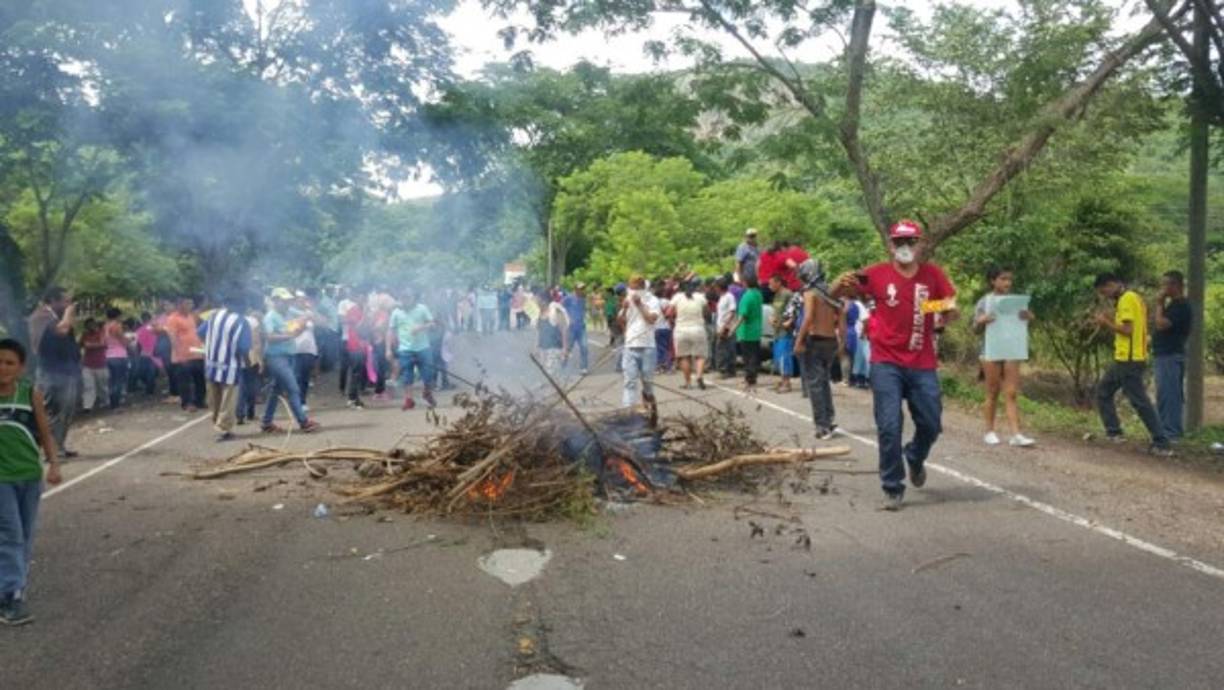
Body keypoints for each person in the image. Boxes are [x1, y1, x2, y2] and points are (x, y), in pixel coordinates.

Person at [836, 220, 958, 511]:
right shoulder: (875, 274)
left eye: (911, 242)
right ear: (890, 245)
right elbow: (839, 292)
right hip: (885, 362)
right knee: (889, 425)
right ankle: (892, 486)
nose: (905, 248)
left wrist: (931, 309)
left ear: (920, 244)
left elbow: (951, 303)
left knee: (931, 423)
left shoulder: (932, 275)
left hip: (922, 362)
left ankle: (915, 456)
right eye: (899, 242)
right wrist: (840, 281)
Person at [0, 338, 63, 626]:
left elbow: (44, 431)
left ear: (21, 367)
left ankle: (15, 586)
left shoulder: (30, 394)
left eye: (10, 363)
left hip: (28, 475)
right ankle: (10, 597)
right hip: (2, 480)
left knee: (25, 534)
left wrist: (54, 463)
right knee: (10, 534)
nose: (3, 368)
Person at [1093, 274, 1173, 455]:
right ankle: (1114, 432)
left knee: (1140, 401)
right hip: (1127, 357)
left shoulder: (1126, 299)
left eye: (1104, 291)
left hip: (1129, 359)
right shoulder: (1134, 297)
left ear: (1112, 284)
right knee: (1104, 391)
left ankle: (1161, 442)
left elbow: (1127, 330)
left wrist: (1106, 322)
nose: (1105, 295)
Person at [973, 267, 1036, 448]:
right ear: (993, 281)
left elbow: (1021, 324)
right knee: (992, 391)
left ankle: (1016, 434)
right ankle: (989, 431)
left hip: (1011, 350)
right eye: (1003, 279)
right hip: (991, 350)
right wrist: (981, 321)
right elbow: (974, 329)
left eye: (1009, 279)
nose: (1007, 283)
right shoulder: (984, 302)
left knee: (1012, 393)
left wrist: (1029, 317)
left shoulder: (1016, 302)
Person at [26, 288, 79, 458]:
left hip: (65, 370)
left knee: (66, 410)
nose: (67, 305)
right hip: (50, 372)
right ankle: (50, 450)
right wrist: (70, 313)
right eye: (65, 301)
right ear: (53, 300)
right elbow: (62, 331)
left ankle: (59, 446)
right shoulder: (40, 316)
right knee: (53, 410)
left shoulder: (55, 316)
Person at [793, 261, 842, 439]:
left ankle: (822, 426)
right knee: (824, 382)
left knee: (815, 384)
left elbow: (808, 318)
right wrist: (841, 341)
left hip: (815, 340)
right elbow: (840, 315)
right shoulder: (831, 292)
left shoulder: (810, 293)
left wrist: (799, 341)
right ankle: (829, 419)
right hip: (831, 341)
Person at [261, 288, 319, 434]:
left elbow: (306, 316)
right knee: (293, 388)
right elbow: (269, 337)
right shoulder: (270, 317)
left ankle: (266, 422)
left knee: (276, 390)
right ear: (275, 301)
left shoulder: (286, 314)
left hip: (289, 356)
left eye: (288, 301)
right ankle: (303, 421)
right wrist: (290, 335)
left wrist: (305, 319)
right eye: (283, 301)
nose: (286, 304)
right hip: (276, 357)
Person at [200, 294, 251, 442]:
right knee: (228, 399)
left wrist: (210, 346)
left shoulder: (214, 315)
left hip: (211, 362)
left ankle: (216, 421)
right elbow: (243, 348)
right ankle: (223, 429)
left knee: (214, 396)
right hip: (230, 365)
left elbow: (200, 332)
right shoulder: (241, 321)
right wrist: (247, 362)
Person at [1152, 270, 1193, 442]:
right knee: (1164, 394)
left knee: (1170, 395)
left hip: (1170, 355)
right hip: (1164, 354)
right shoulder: (1174, 305)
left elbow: (1161, 324)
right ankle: (1164, 431)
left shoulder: (1181, 306)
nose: (1162, 289)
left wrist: (1159, 304)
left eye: (1165, 284)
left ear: (1174, 285)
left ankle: (1171, 433)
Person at [387, 288, 436, 411]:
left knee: (428, 375)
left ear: (413, 298)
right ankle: (409, 400)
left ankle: (427, 393)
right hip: (405, 349)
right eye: (403, 298)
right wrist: (388, 349)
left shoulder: (422, 308)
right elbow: (390, 330)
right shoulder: (396, 312)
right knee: (407, 376)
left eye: (408, 297)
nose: (405, 300)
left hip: (423, 347)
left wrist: (422, 327)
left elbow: (432, 324)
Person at [620, 275, 661, 411]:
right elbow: (620, 321)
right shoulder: (628, 299)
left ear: (643, 287)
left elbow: (651, 319)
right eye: (631, 288)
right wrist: (625, 308)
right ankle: (628, 413)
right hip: (630, 345)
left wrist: (639, 305)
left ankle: (650, 405)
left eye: (636, 288)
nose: (633, 291)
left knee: (647, 382)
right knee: (630, 382)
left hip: (648, 346)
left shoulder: (653, 300)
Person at [166, 297, 206, 411]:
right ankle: (187, 403)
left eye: (191, 303)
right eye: (188, 303)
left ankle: (199, 401)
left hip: (196, 353)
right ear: (180, 305)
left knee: (200, 379)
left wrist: (202, 350)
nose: (191, 305)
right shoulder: (173, 318)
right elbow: (173, 338)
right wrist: (179, 355)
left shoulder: (191, 317)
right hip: (183, 356)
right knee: (185, 381)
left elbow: (195, 334)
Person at [671, 279, 709, 390]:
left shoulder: (677, 297)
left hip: (681, 330)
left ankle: (688, 383)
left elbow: (669, 312)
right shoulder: (700, 297)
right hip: (698, 329)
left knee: (684, 357)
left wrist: (674, 319)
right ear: (694, 287)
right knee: (700, 356)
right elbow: (707, 312)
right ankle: (699, 376)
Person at [728, 277, 764, 392]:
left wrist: (733, 329)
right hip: (756, 329)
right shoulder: (758, 294)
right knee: (754, 355)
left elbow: (742, 315)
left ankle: (750, 380)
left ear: (745, 282)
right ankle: (751, 378)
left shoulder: (747, 296)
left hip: (746, 331)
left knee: (748, 357)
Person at [237, 301, 264, 425]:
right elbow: (257, 342)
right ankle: (250, 413)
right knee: (251, 385)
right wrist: (260, 359)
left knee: (240, 386)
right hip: (251, 356)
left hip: (236, 357)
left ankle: (239, 413)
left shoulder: (234, 321)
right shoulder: (254, 322)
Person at [768, 275, 795, 393]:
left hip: (785, 331)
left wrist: (790, 322)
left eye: (771, 284)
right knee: (778, 357)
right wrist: (771, 318)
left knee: (785, 357)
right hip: (776, 331)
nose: (769, 286)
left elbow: (796, 308)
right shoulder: (776, 296)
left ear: (778, 282)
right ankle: (782, 380)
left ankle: (787, 383)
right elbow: (775, 311)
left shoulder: (788, 294)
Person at [536, 292, 571, 379]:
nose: (536, 302)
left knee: (551, 374)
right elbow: (539, 332)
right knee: (544, 374)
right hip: (542, 349)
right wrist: (536, 347)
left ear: (544, 301)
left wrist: (565, 349)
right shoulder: (540, 313)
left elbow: (564, 330)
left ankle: (555, 389)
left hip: (554, 349)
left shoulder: (555, 312)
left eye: (538, 300)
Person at [79, 318, 110, 413]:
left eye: (92, 325)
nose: (90, 327)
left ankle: (105, 402)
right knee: (88, 386)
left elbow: (102, 344)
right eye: (88, 326)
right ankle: (87, 406)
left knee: (102, 387)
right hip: (87, 364)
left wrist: (90, 345)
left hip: (101, 364)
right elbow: (81, 345)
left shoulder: (102, 333)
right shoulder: (85, 335)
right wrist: (90, 345)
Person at [103, 308, 130, 409]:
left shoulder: (105, 326)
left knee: (112, 381)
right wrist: (129, 340)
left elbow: (104, 342)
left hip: (109, 355)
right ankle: (116, 404)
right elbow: (122, 340)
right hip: (119, 355)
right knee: (119, 381)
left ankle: (112, 403)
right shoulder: (116, 326)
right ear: (118, 316)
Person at [562, 283, 590, 375]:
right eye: (580, 288)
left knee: (584, 347)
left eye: (583, 288)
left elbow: (586, 309)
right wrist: (567, 319)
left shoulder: (584, 299)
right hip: (571, 328)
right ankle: (562, 366)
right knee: (568, 348)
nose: (582, 290)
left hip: (581, 328)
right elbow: (561, 308)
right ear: (575, 289)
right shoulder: (569, 298)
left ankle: (584, 368)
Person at [715, 278, 738, 379]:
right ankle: (724, 369)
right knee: (722, 349)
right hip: (721, 326)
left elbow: (732, 312)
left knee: (727, 349)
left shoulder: (729, 297)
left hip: (727, 327)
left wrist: (725, 326)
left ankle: (728, 370)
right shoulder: (722, 297)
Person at [133, 312, 160, 396]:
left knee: (144, 372)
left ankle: (149, 390)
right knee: (149, 372)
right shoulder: (152, 328)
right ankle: (150, 389)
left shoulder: (140, 329)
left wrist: (137, 353)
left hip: (146, 354)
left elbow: (137, 344)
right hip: (150, 353)